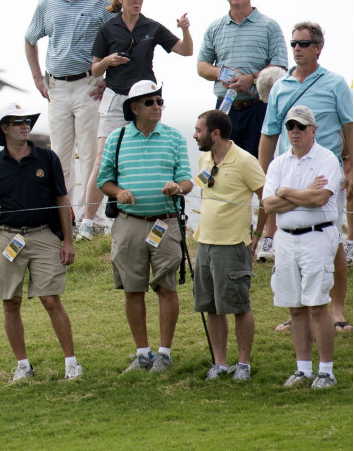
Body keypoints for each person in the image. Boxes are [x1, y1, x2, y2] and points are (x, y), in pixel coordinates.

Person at [0, 103, 81, 381]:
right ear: (4, 129)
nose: (25, 125)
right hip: (7, 236)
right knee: (10, 302)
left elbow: (61, 200)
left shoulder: (47, 158)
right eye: (17, 122)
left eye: (27, 121)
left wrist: (68, 240)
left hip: (44, 234)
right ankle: (23, 366)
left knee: (51, 300)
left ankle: (71, 363)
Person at [259, 22, 353, 333]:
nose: (297, 49)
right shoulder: (280, 87)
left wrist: (350, 166)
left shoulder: (335, 83)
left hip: (326, 171)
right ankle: (296, 310)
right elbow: (270, 133)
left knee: (332, 239)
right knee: (289, 239)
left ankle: (335, 310)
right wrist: (263, 178)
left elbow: (349, 126)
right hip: (288, 169)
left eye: (303, 43)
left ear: (318, 48)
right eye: (294, 43)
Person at [96, 81, 193, 373]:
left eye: (159, 101)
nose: (157, 107)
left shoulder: (174, 137)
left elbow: (188, 180)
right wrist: (117, 193)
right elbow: (104, 180)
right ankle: (142, 354)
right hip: (129, 223)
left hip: (165, 222)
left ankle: (163, 354)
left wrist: (178, 187)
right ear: (135, 107)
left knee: (166, 287)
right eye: (150, 102)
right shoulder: (117, 137)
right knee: (132, 289)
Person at [88, 0, 192, 237]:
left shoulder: (152, 26)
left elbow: (186, 51)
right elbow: (94, 69)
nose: (137, 2)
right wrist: (108, 61)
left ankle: (152, 213)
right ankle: (88, 222)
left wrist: (185, 30)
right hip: (115, 98)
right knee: (102, 160)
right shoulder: (107, 28)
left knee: (149, 157)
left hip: (146, 100)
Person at [24, 0, 115, 241]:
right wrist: (38, 77)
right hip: (57, 88)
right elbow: (30, 39)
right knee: (59, 158)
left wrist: (109, 78)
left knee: (91, 154)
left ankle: (94, 221)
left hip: (89, 86)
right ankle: (66, 221)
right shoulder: (48, 2)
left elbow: (121, 38)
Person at [262, 106, 342, 389]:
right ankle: (303, 369)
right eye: (291, 127)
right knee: (294, 307)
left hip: (317, 236)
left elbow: (320, 198)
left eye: (301, 127)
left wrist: (285, 192)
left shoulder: (327, 159)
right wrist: (300, 195)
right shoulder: (279, 163)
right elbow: (268, 204)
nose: (295, 132)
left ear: (313, 129)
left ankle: (326, 371)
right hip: (285, 238)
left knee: (318, 304)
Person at [191, 110, 267, 381]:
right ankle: (220, 363)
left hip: (234, 245)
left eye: (199, 130)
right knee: (211, 306)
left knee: (239, 306)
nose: (194, 134)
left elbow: (265, 198)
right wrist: (180, 188)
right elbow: (203, 184)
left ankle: (243, 364)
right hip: (204, 243)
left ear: (215, 133)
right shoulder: (204, 157)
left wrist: (258, 235)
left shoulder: (245, 161)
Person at [197, 0, 289, 158]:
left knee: (258, 165)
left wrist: (251, 79)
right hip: (224, 109)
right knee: (221, 163)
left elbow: (280, 68)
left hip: (258, 108)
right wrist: (221, 74)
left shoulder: (269, 26)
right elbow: (202, 66)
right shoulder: (215, 28)